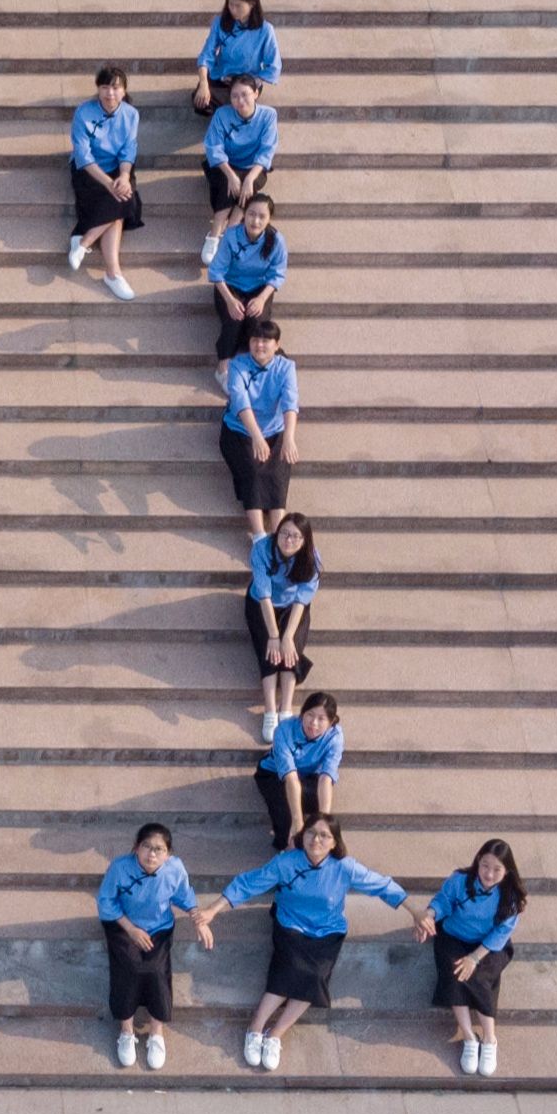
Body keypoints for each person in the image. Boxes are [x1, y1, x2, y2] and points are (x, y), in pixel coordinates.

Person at [194, 814, 424, 1073]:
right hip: (290, 924)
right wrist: (213, 910)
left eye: (324, 835)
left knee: (314, 976)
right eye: (311, 833)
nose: (317, 840)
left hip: (327, 930)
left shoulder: (344, 867)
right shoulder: (286, 862)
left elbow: (382, 885)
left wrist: (416, 912)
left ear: (334, 842)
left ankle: (275, 1034)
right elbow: (248, 883)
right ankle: (255, 1027)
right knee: (289, 968)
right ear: (301, 836)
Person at [96, 822, 211, 1071]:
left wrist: (197, 919)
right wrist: (131, 929)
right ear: (136, 848)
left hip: (158, 927)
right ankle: (126, 1030)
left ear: (168, 854)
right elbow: (106, 900)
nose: (152, 854)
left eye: (159, 849)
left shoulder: (174, 869)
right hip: (123, 925)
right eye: (146, 847)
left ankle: (156, 1032)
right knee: (129, 967)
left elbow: (185, 895)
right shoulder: (120, 867)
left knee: (156, 972)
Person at [418, 838, 527, 1077]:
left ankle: (489, 1040)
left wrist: (475, 958)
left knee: (477, 976)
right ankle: (469, 1037)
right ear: (478, 862)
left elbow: (501, 933)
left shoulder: (511, 899)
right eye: (485, 866)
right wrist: (429, 915)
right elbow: (443, 902)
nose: (489, 874)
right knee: (456, 973)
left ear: (507, 871)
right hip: (453, 937)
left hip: (488, 945)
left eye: (497, 869)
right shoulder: (460, 881)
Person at [67, 66, 144, 302]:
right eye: (105, 87)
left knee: (124, 197)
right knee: (120, 203)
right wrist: (109, 183)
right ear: (98, 89)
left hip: (117, 168)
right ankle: (113, 273)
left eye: (115, 87)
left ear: (124, 90)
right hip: (89, 169)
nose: (110, 93)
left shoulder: (131, 114)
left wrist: (123, 176)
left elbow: (128, 149)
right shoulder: (84, 112)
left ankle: (85, 241)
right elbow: (83, 155)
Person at [220, 319, 299, 537]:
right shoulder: (238, 364)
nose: (260, 345)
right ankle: (259, 535)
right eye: (255, 340)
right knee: (253, 472)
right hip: (241, 430)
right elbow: (240, 401)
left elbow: (290, 402)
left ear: (276, 344)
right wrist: (256, 436)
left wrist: (289, 437)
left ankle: (279, 533)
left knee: (277, 474)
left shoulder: (286, 367)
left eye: (266, 341)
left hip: (274, 429)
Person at [247, 512, 320, 737]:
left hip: (292, 607)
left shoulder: (311, 560)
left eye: (296, 537)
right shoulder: (262, 549)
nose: (288, 541)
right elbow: (264, 595)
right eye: (285, 534)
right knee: (270, 652)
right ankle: (270, 710)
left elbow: (301, 600)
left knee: (291, 651)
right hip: (262, 603)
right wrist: (273, 636)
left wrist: (287, 637)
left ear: (304, 540)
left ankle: (285, 709)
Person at [202, 76, 278, 263]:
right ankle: (215, 233)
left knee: (249, 186)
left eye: (245, 95)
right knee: (227, 184)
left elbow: (267, 150)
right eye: (235, 96)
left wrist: (250, 178)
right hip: (226, 165)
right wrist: (231, 175)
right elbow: (214, 148)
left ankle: (229, 234)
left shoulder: (268, 115)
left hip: (253, 167)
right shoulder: (222, 114)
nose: (240, 100)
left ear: (256, 94)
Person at [207, 193, 286, 373]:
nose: (255, 221)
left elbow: (277, 274)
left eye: (262, 216)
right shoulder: (231, 235)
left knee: (257, 322)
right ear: (244, 214)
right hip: (230, 286)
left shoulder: (276, 241)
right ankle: (223, 366)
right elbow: (216, 271)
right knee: (235, 319)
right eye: (251, 214)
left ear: (269, 219)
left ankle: (265, 362)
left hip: (259, 288)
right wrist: (229, 300)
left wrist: (261, 299)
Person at [253, 690, 340, 846]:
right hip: (274, 774)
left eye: (321, 719)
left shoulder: (335, 737)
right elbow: (291, 778)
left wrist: (323, 822)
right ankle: (285, 848)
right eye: (310, 715)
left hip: (308, 775)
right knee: (285, 816)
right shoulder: (283, 731)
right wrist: (297, 822)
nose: (313, 723)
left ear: (331, 722)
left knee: (319, 805)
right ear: (302, 714)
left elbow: (326, 778)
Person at [192, 0, 280, 118]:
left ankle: (236, 103)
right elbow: (206, 55)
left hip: (247, 80)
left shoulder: (265, 30)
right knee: (200, 102)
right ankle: (234, 105)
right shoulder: (220, 23)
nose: (232, 9)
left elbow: (274, 66)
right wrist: (203, 84)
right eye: (230, 4)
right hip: (223, 77)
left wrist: (253, 82)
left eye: (238, 5)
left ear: (252, 4)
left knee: (241, 97)